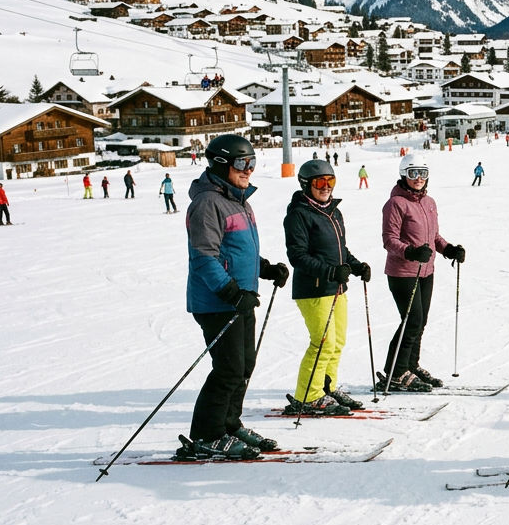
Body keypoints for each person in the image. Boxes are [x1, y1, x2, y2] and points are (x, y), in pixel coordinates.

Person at [181, 134, 288, 459]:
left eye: (252, 163)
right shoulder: (206, 203)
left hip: (242, 298)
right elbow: (204, 257)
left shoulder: (240, 201)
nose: (249, 170)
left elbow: (240, 253)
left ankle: (229, 423)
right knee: (228, 368)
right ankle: (207, 434)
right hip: (217, 302)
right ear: (220, 164)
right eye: (242, 163)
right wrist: (231, 292)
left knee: (244, 365)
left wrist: (265, 269)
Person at [282, 159, 371, 416]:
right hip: (314, 289)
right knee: (322, 343)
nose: (326, 187)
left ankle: (325, 387)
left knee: (337, 342)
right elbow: (297, 255)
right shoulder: (299, 214)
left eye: (330, 181)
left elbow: (340, 250)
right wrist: (330, 271)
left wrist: (355, 265)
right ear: (306, 185)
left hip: (336, 287)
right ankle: (308, 397)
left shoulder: (333, 211)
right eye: (320, 182)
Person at [379, 153, 464, 393]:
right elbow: (389, 240)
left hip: (426, 271)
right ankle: (395, 372)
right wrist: (411, 253)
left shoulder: (429, 203)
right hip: (403, 271)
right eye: (413, 173)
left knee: (421, 321)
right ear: (404, 174)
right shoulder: (396, 204)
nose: (418, 179)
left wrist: (449, 249)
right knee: (411, 321)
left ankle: (409, 366)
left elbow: (433, 236)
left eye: (423, 174)